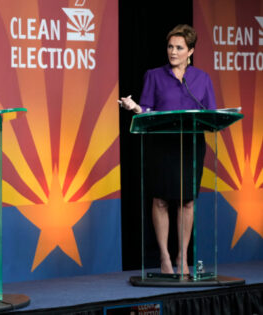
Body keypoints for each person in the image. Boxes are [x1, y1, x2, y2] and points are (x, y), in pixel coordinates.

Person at [119, 24, 216, 275]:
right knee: (161, 200)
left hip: (190, 146)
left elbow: (210, 114)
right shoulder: (154, 75)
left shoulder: (202, 79)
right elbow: (148, 109)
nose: (173, 52)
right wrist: (135, 107)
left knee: (186, 202)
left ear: (190, 51)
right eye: (170, 47)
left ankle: (183, 257)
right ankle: (164, 257)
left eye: (179, 48)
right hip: (161, 146)